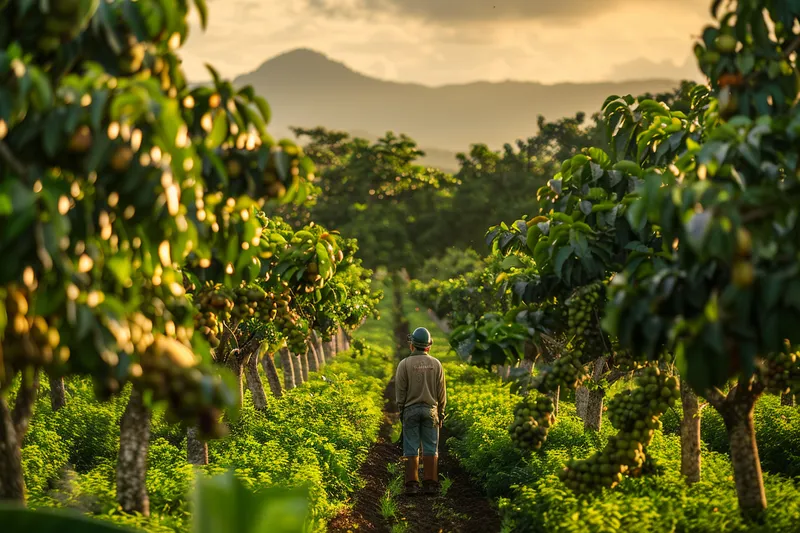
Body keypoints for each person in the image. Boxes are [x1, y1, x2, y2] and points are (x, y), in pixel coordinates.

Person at [395, 326, 447, 496]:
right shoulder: (436, 364)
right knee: (431, 447)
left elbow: (400, 391)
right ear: (428, 346)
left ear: (412, 345)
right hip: (431, 410)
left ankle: (412, 484)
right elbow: (441, 392)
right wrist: (441, 412)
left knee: (411, 446)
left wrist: (401, 411)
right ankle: (431, 484)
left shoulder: (404, 364)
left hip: (410, 410)